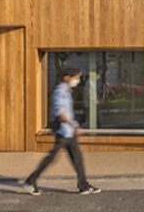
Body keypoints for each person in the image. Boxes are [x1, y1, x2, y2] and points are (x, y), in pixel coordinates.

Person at [23, 67, 101, 195]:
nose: (77, 80)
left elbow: (68, 113)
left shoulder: (67, 90)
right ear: (67, 77)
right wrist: (74, 125)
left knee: (78, 159)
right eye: (75, 77)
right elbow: (61, 113)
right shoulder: (60, 91)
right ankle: (30, 181)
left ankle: (83, 185)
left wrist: (74, 125)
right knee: (51, 158)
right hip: (63, 132)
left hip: (69, 132)